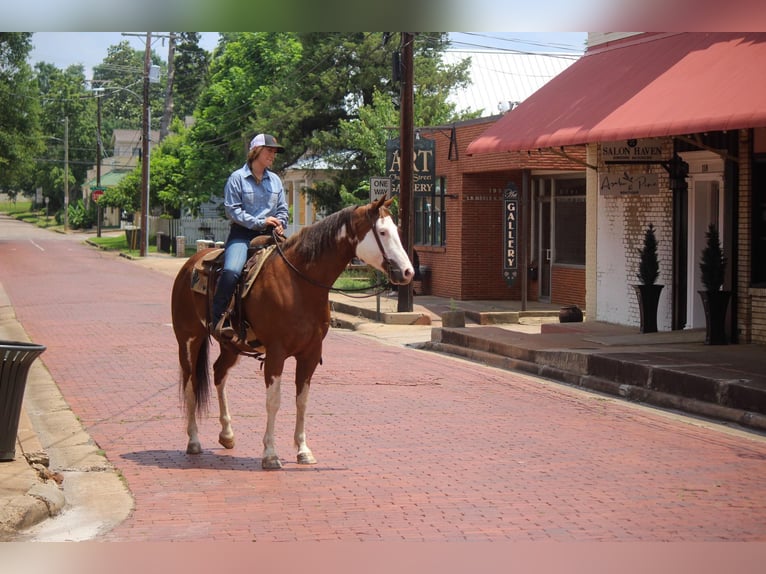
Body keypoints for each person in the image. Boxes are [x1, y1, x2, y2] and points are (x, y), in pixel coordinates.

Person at [211, 133, 288, 340]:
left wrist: (281, 223)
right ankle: (218, 318)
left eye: (274, 152)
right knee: (232, 270)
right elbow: (233, 211)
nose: (273, 155)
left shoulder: (276, 181)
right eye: (269, 150)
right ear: (256, 151)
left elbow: (282, 209)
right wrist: (260, 222)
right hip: (243, 234)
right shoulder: (237, 178)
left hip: (271, 235)